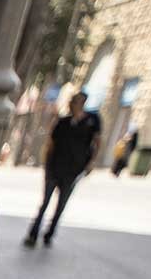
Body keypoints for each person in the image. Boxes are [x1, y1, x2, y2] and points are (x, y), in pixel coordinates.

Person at [28, 89, 101, 247]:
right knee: (45, 202)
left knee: (61, 204)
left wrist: (91, 163)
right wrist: (47, 166)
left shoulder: (91, 122)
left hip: (73, 170)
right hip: (55, 167)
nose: (71, 105)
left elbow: (97, 142)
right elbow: (51, 144)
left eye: (74, 102)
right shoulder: (63, 122)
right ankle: (33, 233)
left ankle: (49, 233)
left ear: (81, 104)